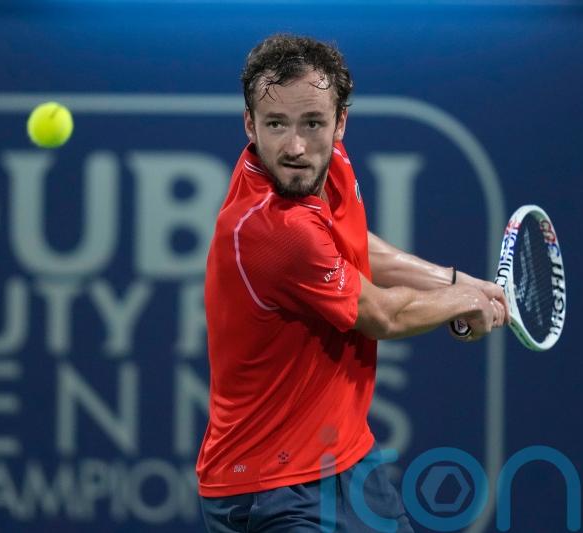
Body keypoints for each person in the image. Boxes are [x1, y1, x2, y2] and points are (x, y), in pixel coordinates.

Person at [196, 34, 509, 532]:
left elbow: (351, 243)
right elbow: (381, 315)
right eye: (275, 124)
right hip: (270, 489)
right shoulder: (275, 228)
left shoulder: (331, 165)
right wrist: (461, 300)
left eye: (313, 123)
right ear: (250, 124)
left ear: (340, 122)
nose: (295, 147)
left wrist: (453, 280)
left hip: (348, 458)